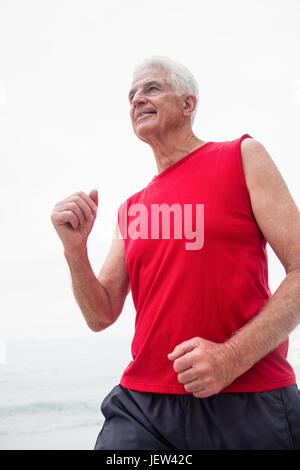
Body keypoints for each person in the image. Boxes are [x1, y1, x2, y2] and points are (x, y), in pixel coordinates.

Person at [51, 56, 300, 450]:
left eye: (151, 88)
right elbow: (100, 314)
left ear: (188, 104)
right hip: (143, 405)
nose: (136, 100)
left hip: (248, 396)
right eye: (130, 95)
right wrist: (74, 250)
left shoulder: (242, 156)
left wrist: (230, 358)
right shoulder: (131, 209)